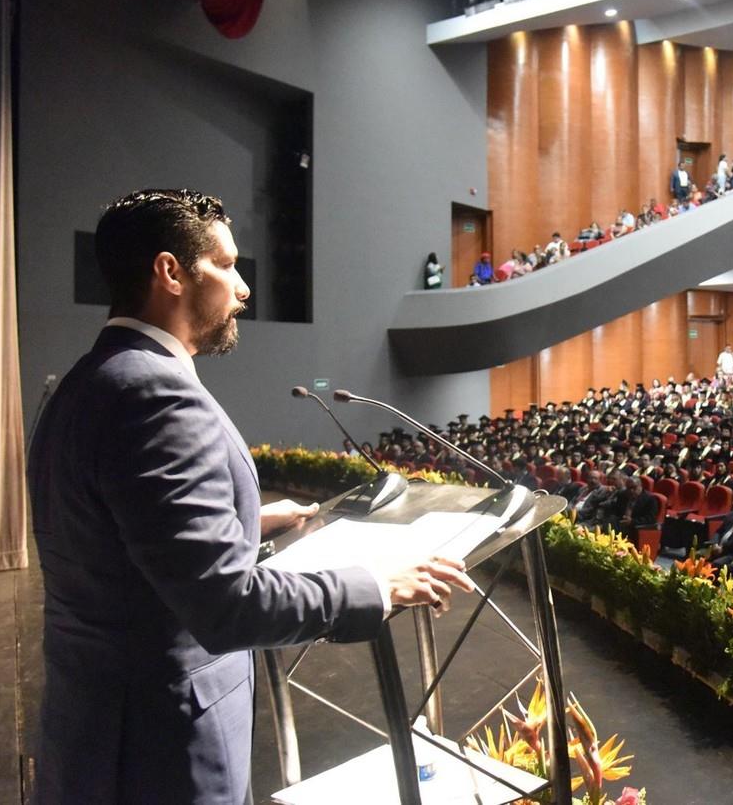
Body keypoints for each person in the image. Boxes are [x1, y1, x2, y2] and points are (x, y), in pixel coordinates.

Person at [27, 190, 475, 804]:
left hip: (96, 731)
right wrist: (374, 583)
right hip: (157, 751)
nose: (243, 289)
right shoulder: (157, 399)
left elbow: (110, 535)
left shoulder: (85, 382)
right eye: (228, 265)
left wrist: (248, 521)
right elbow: (224, 605)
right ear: (171, 271)